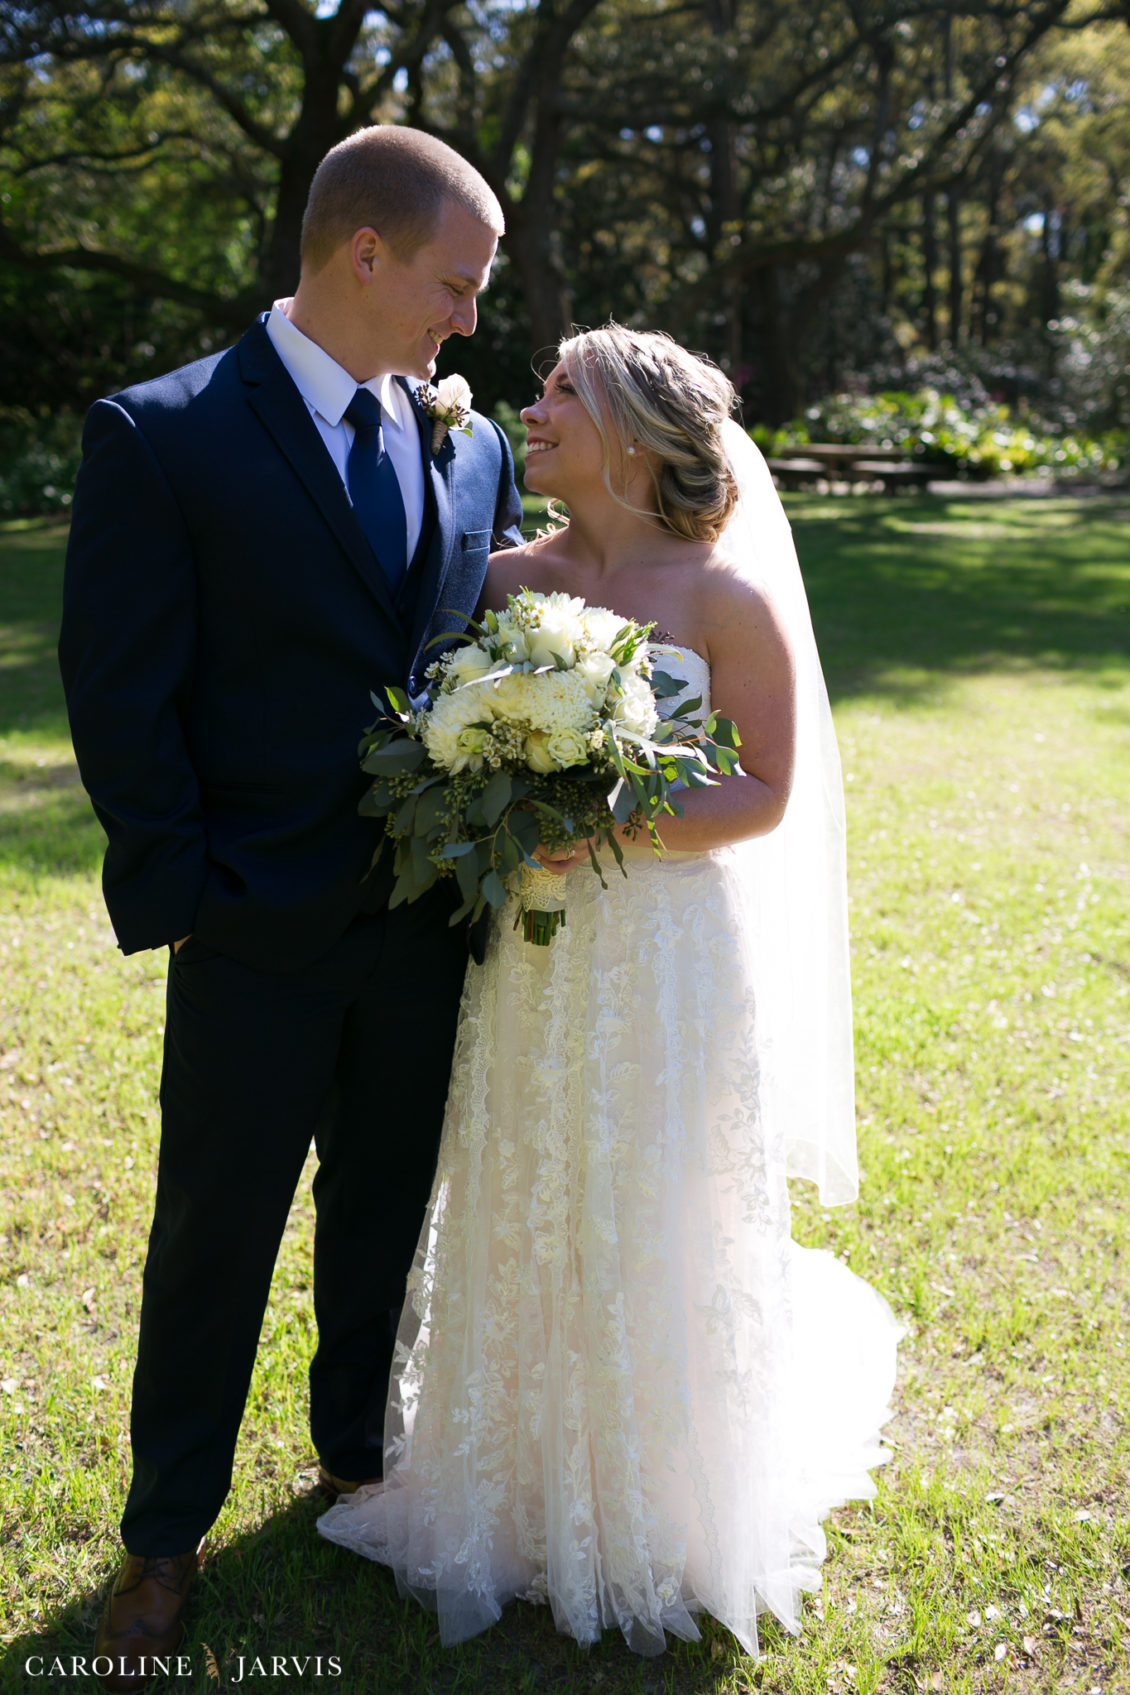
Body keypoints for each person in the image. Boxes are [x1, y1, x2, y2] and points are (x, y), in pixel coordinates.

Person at [317, 326, 901, 1657]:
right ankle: (508, 1478)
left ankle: (655, 1499)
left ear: (632, 431)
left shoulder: (724, 600)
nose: (532, 410)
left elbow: (764, 794)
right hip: (527, 950)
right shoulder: (501, 579)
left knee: (650, 1194)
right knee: (525, 1181)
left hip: (665, 957)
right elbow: (438, 729)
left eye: (559, 391)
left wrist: (614, 824)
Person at [58, 125, 523, 1690]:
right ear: (364, 255)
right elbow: (124, 704)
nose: (470, 321)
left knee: (384, 1213)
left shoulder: (469, 444)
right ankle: (164, 1535)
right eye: (457, 284)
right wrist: (199, 901)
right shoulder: (164, 433)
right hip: (253, 931)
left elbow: (455, 668)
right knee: (212, 1241)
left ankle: (354, 1468)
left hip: (419, 931)